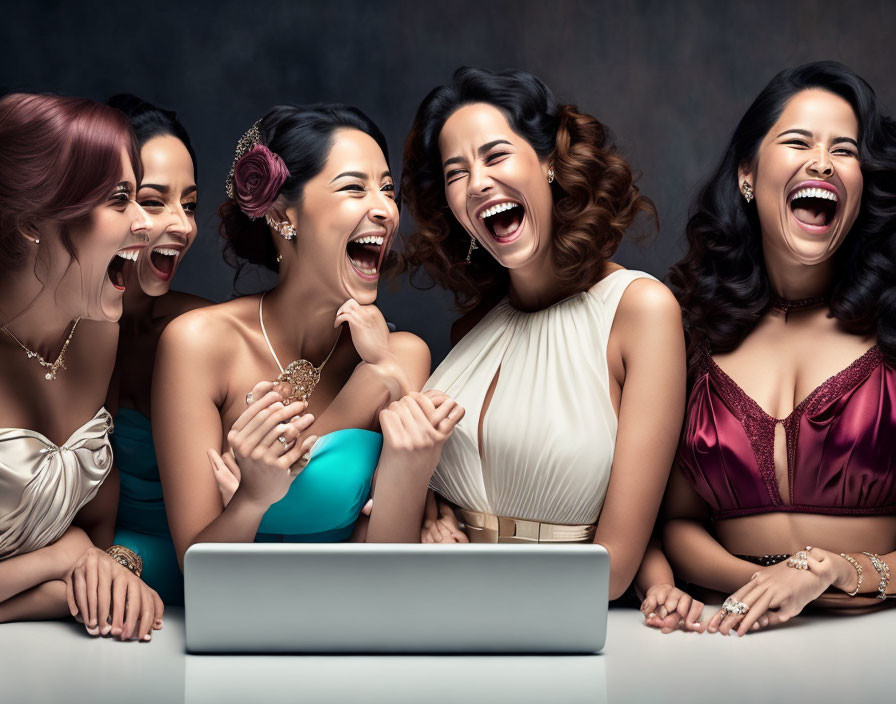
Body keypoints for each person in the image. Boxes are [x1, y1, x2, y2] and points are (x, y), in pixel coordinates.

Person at [401, 67, 686, 600]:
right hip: (443, 617)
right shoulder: (475, 329)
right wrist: (425, 514)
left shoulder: (640, 311)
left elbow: (614, 570)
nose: (478, 181)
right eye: (455, 172)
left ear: (550, 161)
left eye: (495, 155)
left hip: (556, 630)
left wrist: (462, 574)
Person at [641, 61, 896, 636]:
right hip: (729, 632)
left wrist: (828, 573)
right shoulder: (697, 333)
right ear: (747, 176)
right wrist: (754, 587)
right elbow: (679, 520)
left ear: (863, 186)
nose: (822, 162)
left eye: (845, 150)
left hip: (878, 642)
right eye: (798, 141)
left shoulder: (891, 331)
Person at [154, 103, 462, 564]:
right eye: (355, 188)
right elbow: (195, 566)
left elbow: (389, 569)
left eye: (387, 190)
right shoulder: (198, 344)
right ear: (283, 214)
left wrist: (398, 406)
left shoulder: (401, 356)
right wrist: (253, 500)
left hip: (357, 624)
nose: (385, 210)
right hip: (235, 623)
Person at [0, 93, 164, 641]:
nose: (146, 222)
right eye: (121, 200)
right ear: (32, 222)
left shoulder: (97, 331)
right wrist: (61, 559)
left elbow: (96, 533)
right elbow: (78, 554)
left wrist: (87, 559)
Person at [106, 94, 209, 605]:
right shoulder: (55, 331)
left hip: (198, 581)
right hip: (83, 584)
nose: (183, 226)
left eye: (189, 205)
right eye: (154, 201)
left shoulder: (201, 329)